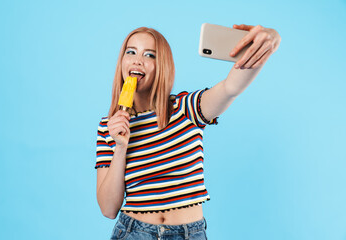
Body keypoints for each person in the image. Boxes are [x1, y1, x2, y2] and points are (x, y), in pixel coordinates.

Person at [95, 24, 281, 239]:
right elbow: (108, 209)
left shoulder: (186, 108)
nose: (137, 60)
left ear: (162, 65)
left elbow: (231, 88)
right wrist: (120, 147)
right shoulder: (108, 126)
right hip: (133, 232)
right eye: (131, 51)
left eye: (149, 55)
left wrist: (268, 42)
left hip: (188, 233)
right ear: (122, 62)